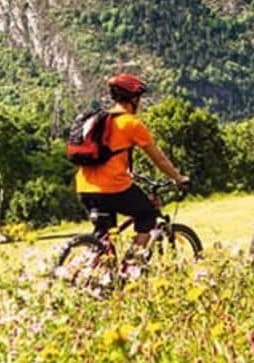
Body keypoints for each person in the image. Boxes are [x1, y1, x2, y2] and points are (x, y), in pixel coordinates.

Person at [75, 73, 189, 257]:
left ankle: (94, 275)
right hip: (112, 188)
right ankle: (131, 266)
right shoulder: (132, 124)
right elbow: (159, 159)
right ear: (134, 99)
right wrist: (178, 178)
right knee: (147, 215)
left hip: (84, 187)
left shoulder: (101, 120)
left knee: (105, 239)